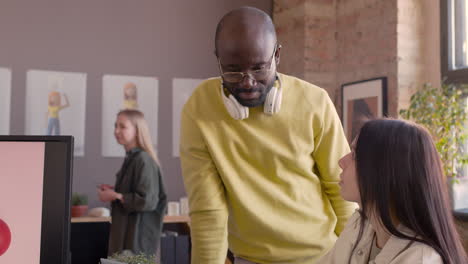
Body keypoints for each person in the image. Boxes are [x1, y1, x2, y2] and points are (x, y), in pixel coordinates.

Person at [179, 6, 356, 264]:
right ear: (218, 60)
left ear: (278, 56)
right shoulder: (199, 108)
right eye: (232, 70)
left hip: (322, 257)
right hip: (249, 259)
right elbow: (208, 210)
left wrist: (350, 257)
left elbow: (342, 191)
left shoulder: (315, 102)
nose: (247, 82)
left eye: (259, 68)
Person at [317, 119, 468, 264]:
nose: (341, 161)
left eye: (355, 155)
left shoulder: (420, 260)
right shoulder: (360, 224)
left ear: (385, 172)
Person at [98, 109, 167, 256]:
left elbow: (148, 201)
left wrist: (115, 196)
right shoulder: (132, 159)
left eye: (122, 126)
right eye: (115, 126)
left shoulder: (143, 160)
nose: (116, 131)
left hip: (137, 242)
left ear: (137, 130)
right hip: (126, 239)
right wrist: (115, 191)